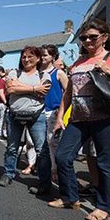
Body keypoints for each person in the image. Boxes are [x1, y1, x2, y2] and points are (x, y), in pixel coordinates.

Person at [50, 19, 110, 220]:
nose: (88, 40)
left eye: (93, 36)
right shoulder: (78, 62)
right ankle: (69, 197)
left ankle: (104, 206)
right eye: (84, 37)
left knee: (105, 163)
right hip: (79, 118)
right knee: (63, 157)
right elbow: (68, 93)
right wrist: (59, 117)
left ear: (105, 37)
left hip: (107, 119)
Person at [0, 46, 51, 187]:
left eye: (30, 56)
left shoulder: (44, 75)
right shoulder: (13, 73)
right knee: (11, 147)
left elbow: (44, 92)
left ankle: (45, 183)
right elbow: (10, 89)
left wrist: (19, 87)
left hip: (37, 116)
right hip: (14, 115)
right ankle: (8, 173)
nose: (26, 59)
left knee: (42, 150)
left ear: (38, 58)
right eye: (24, 57)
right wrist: (34, 88)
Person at [28, 44, 68, 195]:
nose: (43, 58)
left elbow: (68, 91)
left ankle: (55, 171)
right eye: (41, 55)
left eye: (46, 55)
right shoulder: (36, 73)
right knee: (40, 144)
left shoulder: (58, 72)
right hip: (38, 111)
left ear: (52, 56)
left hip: (53, 112)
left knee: (52, 143)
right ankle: (45, 173)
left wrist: (62, 113)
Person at [0, 66, 8, 139]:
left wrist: (5, 102)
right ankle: (2, 133)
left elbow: (1, 92)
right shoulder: (4, 80)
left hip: (2, 102)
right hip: (4, 102)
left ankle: (1, 133)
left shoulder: (1, 81)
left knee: (2, 118)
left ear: (0, 71)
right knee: (4, 118)